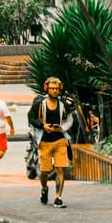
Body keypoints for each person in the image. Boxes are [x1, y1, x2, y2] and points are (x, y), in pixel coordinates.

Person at [27, 77, 74, 208]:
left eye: (57, 89)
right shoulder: (39, 104)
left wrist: (62, 128)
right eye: (52, 88)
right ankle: (44, 188)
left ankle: (58, 197)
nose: (54, 91)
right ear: (46, 88)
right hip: (44, 142)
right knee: (44, 171)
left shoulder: (63, 104)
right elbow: (30, 117)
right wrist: (43, 126)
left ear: (60, 90)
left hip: (60, 140)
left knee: (60, 169)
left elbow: (70, 120)